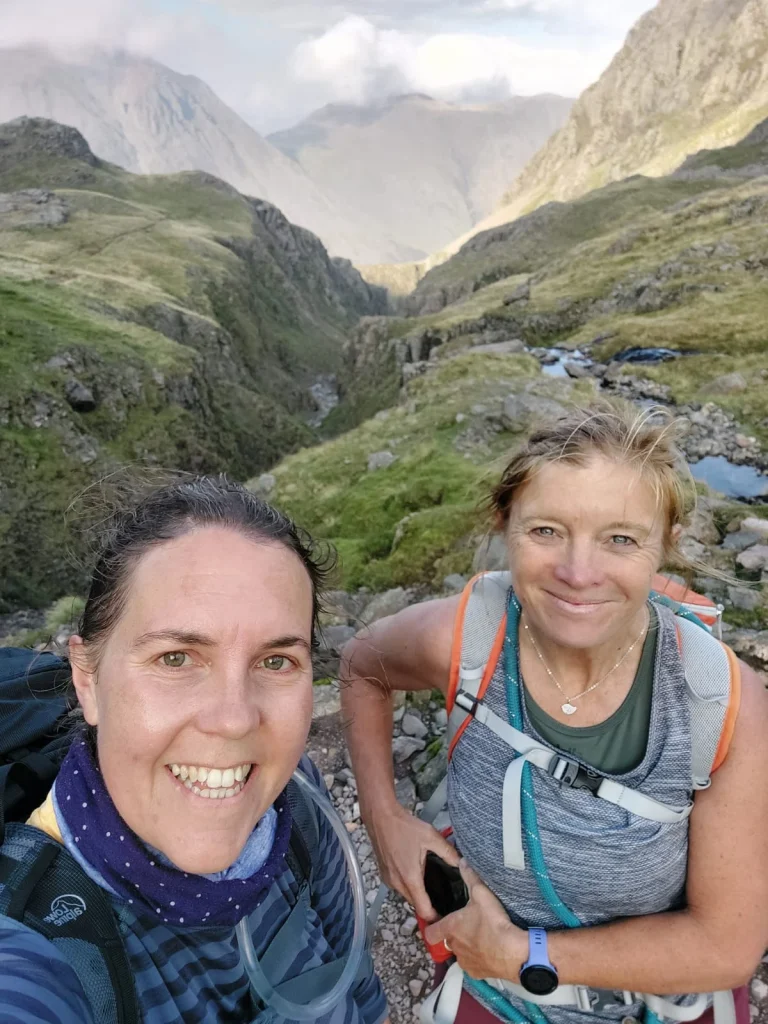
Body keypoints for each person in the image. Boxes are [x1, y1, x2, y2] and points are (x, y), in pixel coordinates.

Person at [341, 405, 768, 1024]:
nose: (578, 573)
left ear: (667, 545)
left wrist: (520, 953)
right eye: (545, 531)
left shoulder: (719, 701)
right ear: (504, 523)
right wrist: (383, 818)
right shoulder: (468, 639)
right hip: (490, 997)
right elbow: (361, 665)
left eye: (620, 539)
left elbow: (726, 948)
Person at [0, 476, 388, 1024]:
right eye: (176, 658)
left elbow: (355, 979)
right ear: (87, 679)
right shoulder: (38, 937)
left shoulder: (297, 798)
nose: (233, 720)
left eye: (276, 662)